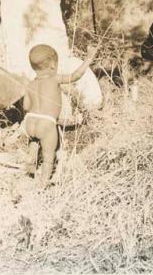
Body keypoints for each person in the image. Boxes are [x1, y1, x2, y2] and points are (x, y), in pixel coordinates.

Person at [23, 44, 98, 187]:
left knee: (34, 139)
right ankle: (43, 183)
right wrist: (88, 58)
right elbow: (75, 76)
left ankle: (30, 160)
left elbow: (26, 106)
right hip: (47, 122)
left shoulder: (30, 84)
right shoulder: (55, 79)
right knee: (48, 156)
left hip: (30, 121)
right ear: (52, 65)